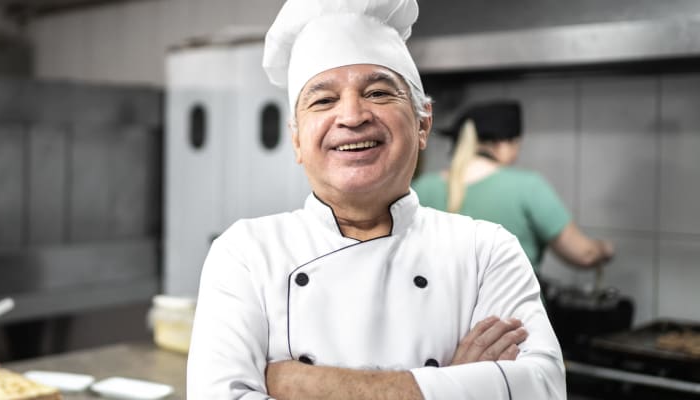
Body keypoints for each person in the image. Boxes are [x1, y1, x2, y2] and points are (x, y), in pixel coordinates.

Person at [186, 0, 566, 399]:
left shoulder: (486, 251)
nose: (352, 116)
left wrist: (302, 383)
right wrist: (455, 386)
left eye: (379, 92)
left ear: (423, 124)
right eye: (323, 100)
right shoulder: (246, 254)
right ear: (297, 140)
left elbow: (541, 388)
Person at [413, 100, 613, 271]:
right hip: (514, 315)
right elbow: (584, 254)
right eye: (517, 145)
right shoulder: (528, 187)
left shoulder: (421, 188)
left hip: (443, 314)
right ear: (502, 144)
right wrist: (604, 249)